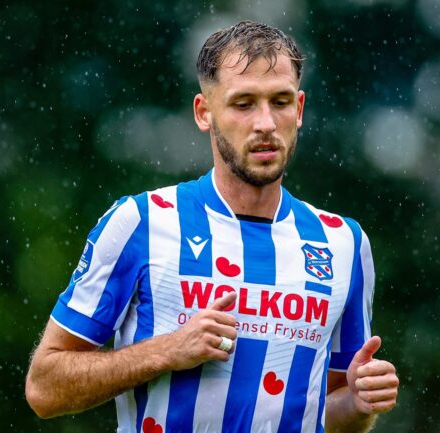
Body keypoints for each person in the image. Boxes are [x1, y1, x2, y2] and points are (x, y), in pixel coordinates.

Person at [25, 20, 399, 433]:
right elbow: (45, 388)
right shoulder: (141, 223)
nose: (265, 124)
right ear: (205, 113)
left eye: (280, 101)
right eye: (243, 104)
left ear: (300, 109)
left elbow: (323, 413)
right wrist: (167, 351)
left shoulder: (343, 243)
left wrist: (362, 405)